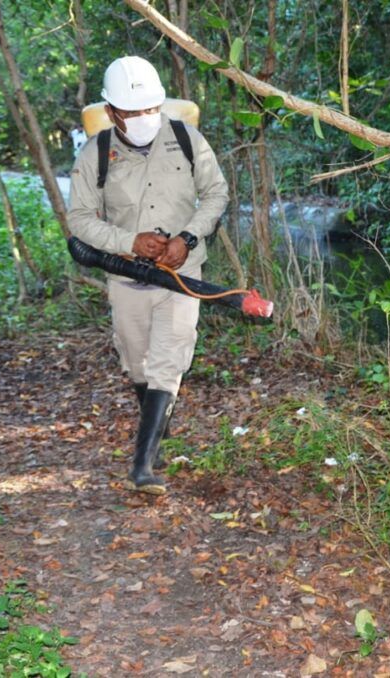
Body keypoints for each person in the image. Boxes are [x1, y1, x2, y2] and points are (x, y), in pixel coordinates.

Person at [67, 56, 229, 495]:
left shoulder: (186, 138)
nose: (144, 118)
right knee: (136, 361)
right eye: (133, 111)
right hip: (127, 276)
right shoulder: (96, 152)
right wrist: (127, 241)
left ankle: (143, 466)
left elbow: (217, 193)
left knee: (168, 361)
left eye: (150, 109)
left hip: (182, 276)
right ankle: (155, 427)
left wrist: (189, 238)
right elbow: (79, 220)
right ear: (113, 111)